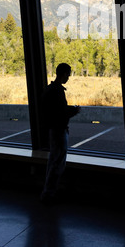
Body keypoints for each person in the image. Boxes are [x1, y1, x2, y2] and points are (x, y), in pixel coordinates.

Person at [40, 63, 80, 204]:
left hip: (53, 129)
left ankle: (48, 192)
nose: (68, 77)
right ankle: (49, 194)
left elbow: (54, 111)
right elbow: (61, 113)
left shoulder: (49, 89)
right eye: (68, 74)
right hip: (59, 130)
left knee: (53, 161)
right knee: (58, 163)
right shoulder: (58, 91)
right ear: (63, 74)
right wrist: (74, 111)